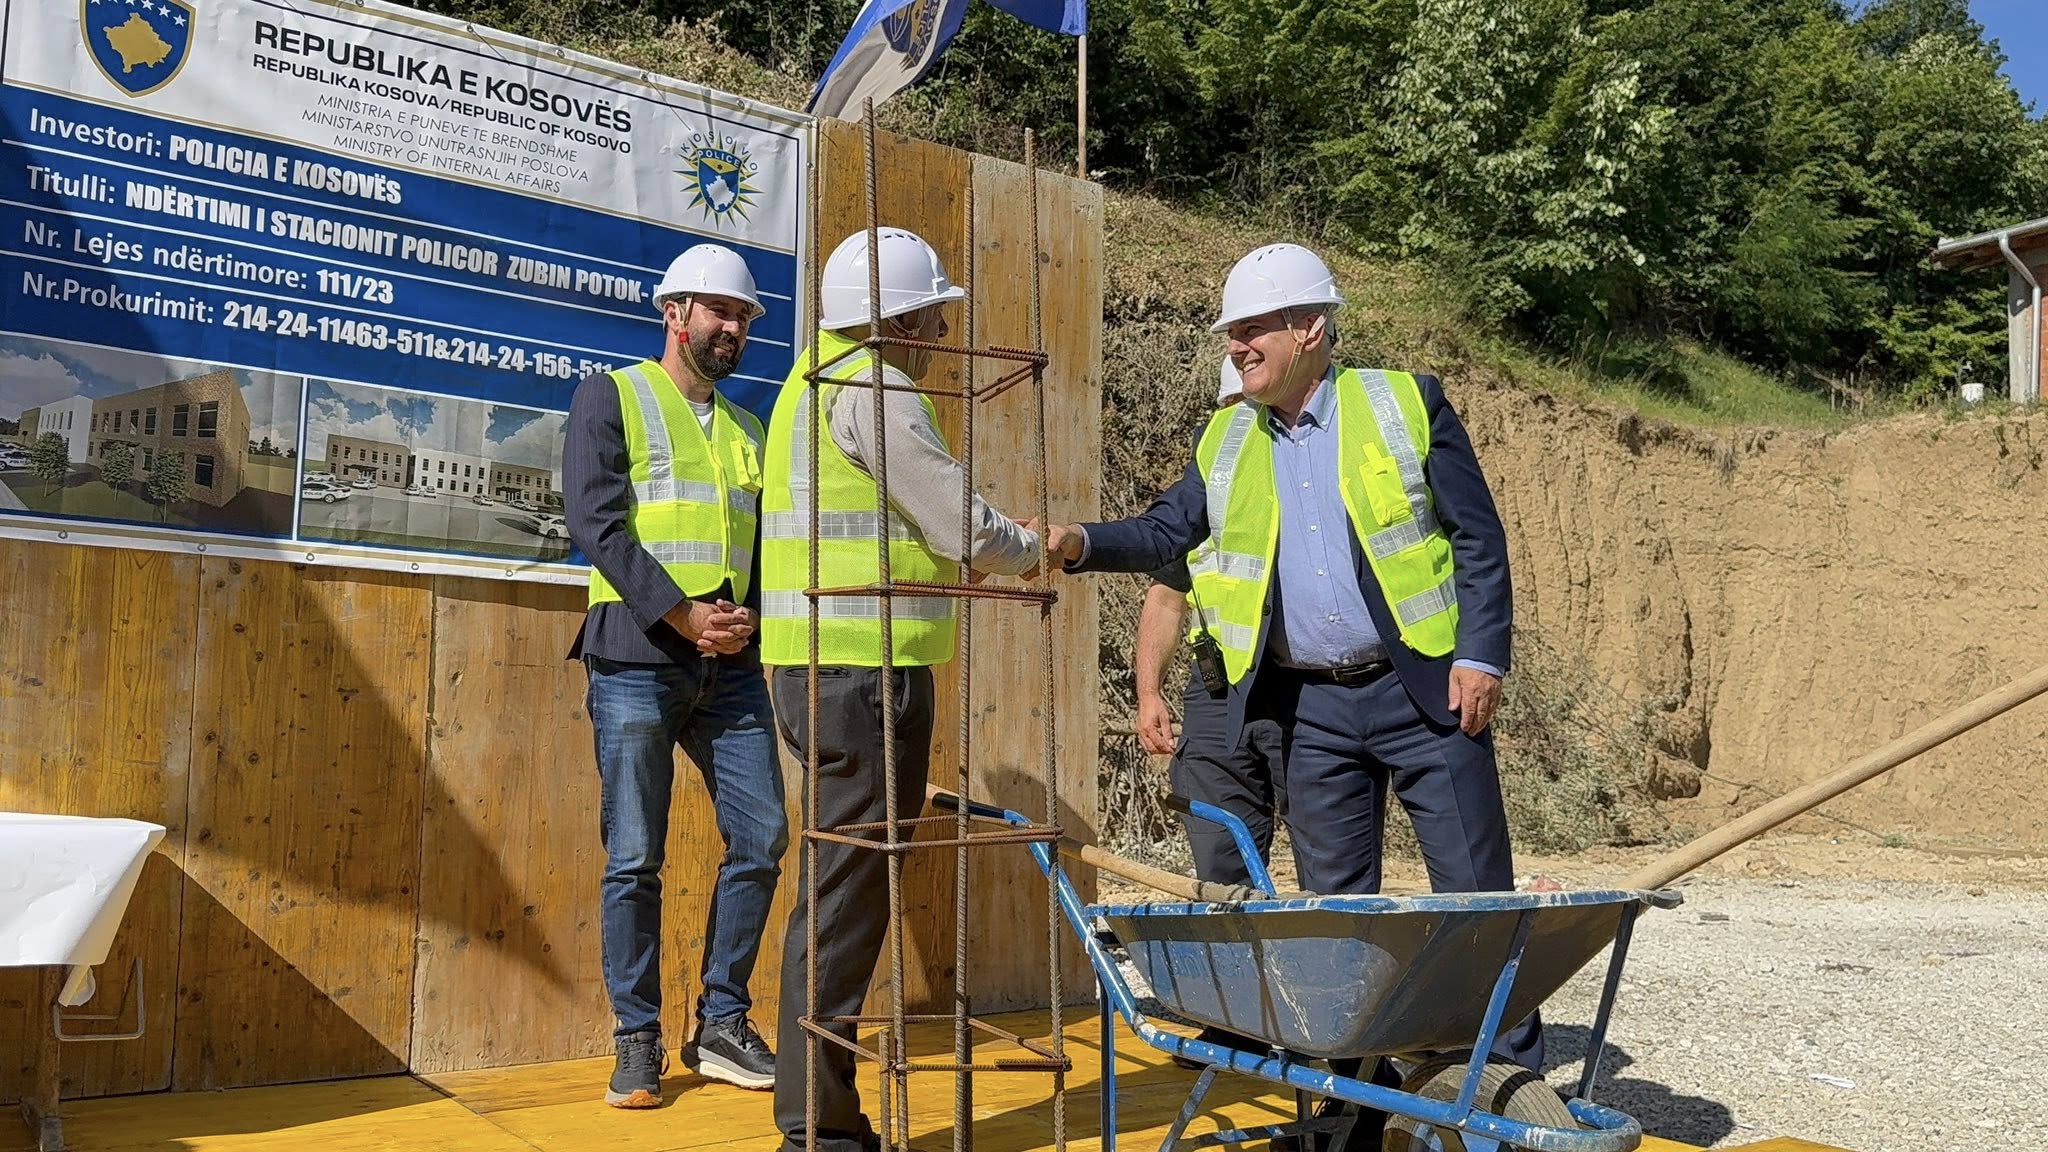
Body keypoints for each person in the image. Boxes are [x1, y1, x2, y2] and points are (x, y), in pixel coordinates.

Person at [1036, 243, 1543, 1082]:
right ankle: (1358, 1097)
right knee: (1336, 921)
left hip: (1427, 695)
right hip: (1314, 712)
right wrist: (1079, 543)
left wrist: (1482, 655)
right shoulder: (1227, 436)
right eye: (1230, 334)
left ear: (1310, 327)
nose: (1236, 347)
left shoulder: (1404, 403)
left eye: (1252, 330)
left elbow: (1477, 538)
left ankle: (1511, 1086)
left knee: (1476, 899)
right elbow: (1169, 534)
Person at [757, 227, 1041, 1152]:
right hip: (864, 676)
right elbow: (958, 521)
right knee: (848, 895)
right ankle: (819, 1129)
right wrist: (1034, 546)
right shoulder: (877, 387)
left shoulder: (810, 379)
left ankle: (815, 1116)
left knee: (838, 885)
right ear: (904, 318)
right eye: (931, 317)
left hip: (814, 668)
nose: (935, 336)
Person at [564, 243, 786, 1108]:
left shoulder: (748, 428)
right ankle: (636, 1038)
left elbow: (761, 546)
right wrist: (682, 612)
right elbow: (596, 521)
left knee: (763, 836)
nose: (732, 329)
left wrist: (754, 616)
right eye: (719, 313)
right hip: (634, 660)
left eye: (742, 318)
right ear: (674, 314)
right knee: (633, 857)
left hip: (727, 670)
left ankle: (722, 1022)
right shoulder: (612, 396)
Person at [1135, 361, 1288, 888]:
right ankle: (1234, 957)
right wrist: (1149, 692)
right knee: (1221, 856)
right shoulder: (1202, 503)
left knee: (1328, 848)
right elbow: (1166, 597)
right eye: (1229, 415)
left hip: (1303, 687)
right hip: (1218, 691)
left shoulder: (1308, 490)